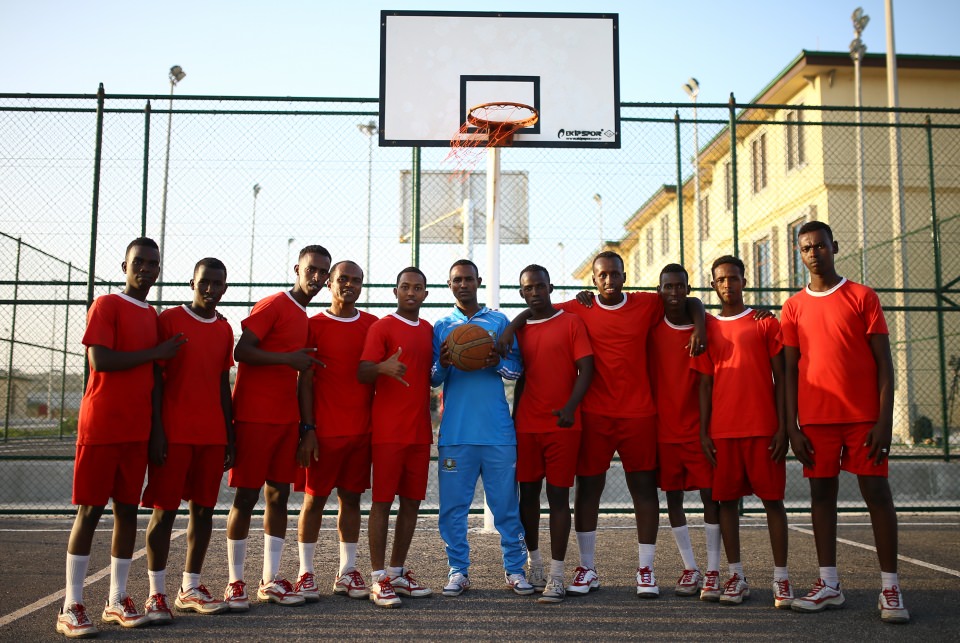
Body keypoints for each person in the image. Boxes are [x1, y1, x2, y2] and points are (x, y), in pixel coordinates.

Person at [501, 251, 706, 598]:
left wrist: (700, 325)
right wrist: (512, 326)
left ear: (624, 276)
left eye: (615, 274)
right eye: (602, 276)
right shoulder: (579, 307)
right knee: (588, 491)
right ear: (593, 280)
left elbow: (691, 301)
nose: (609, 281)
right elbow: (537, 306)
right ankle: (587, 568)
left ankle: (646, 570)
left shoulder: (646, 304)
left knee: (642, 490)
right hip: (594, 414)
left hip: (639, 414)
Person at [58, 237, 186, 638]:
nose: (146, 268)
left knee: (128, 512)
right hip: (101, 426)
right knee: (91, 512)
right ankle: (72, 605)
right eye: (139, 262)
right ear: (125, 266)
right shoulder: (107, 305)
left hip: (137, 430)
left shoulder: (153, 316)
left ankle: (116, 599)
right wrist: (155, 351)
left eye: (153, 263)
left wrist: (157, 431)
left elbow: (155, 382)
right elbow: (101, 359)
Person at [782, 221, 909, 624]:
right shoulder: (793, 307)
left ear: (834, 247)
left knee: (877, 493)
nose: (813, 253)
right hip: (816, 421)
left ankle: (890, 588)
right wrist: (792, 427)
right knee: (822, 497)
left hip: (863, 419)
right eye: (805, 248)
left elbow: (884, 365)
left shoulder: (862, 296)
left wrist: (884, 421)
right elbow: (787, 373)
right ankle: (829, 584)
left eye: (820, 245)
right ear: (799, 255)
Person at [224, 245, 330, 610]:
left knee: (279, 497)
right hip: (254, 417)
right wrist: (288, 358)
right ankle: (235, 582)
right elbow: (242, 351)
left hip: (286, 421)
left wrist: (306, 426)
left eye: (322, 273)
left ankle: (269, 580)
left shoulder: (305, 316)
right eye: (311, 270)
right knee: (246, 497)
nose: (316, 278)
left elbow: (303, 378)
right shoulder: (273, 305)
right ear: (297, 269)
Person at [694, 255, 792, 608]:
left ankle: (781, 579)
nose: (728, 284)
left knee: (773, 503)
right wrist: (705, 432)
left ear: (744, 281)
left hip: (764, 428)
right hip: (723, 431)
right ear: (714, 285)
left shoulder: (765, 323)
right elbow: (704, 386)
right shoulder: (708, 328)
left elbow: (782, 379)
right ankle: (736, 575)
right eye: (721, 280)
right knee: (726, 505)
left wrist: (783, 426)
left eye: (733, 278)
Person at [141, 258, 235, 622]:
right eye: (204, 282)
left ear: (225, 288)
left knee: (204, 512)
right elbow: (156, 380)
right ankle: (155, 594)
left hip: (211, 435)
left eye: (218, 283)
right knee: (163, 514)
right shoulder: (169, 321)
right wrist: (158, 430)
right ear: (191, 283)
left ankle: (190, 588)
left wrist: (229, 434)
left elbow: (221, 384)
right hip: (174, 434)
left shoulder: (224, 329)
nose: (211, 289)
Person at [431, 259, 531, 597]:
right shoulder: (442, 326)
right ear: (450, 284)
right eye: (456, 279)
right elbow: (432, 378)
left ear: (479, 282)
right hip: (456, 435)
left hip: (497, 433)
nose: (463, 284)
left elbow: (518, 370)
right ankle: (458, 570)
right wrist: (443, 363)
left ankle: (515, 569)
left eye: (469, 279)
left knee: (505, 506)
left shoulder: (499, 320)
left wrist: (498, 362)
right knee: (453, 509)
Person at [294, 261, 377, 602]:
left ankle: (347, 571)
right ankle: (305, 573)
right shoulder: (313, 325)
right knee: (313, 501)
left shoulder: (372, 325)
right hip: (323, 432)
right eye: (343, 279)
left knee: (352, 500)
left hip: (360, 431)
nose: (350, 285)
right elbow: (305, 381)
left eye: (356, 280)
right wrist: (308, 428)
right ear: (329, 283)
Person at [513, 265, 594, 604]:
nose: (535, 292)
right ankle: (535, 564)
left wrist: (570, 407)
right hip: (527, 425)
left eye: (540, 286)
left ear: (550, 287)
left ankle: (558, 576)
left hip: (563, 424)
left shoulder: (571, 322)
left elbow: (587, 368)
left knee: (559, 499)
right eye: (528, 288)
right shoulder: (517, 329)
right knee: (527, 497)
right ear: (522, 293)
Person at [358, 267, 435, 608]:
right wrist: (381, 368)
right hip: (388, 431)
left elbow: (433, 375)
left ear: (425, 294)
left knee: (412, 503)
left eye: (417, 288)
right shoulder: (382, 327)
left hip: (419, 430)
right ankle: (378, 580)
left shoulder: (430, 330)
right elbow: (361, 371)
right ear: (395, 291)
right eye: (405, 287)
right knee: (382, 503)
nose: (411, 293)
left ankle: (397, 572)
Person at [648, 263, 722, 601]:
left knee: (711, 497)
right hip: (664, 430)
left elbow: (707, 384)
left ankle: (714, 570)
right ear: (659, 290)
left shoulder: (699, 328)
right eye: (668, 287)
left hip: (697, 430)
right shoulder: (652, 326)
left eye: (680, 286)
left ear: (689, 289)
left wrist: (701, 322)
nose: (674, 292)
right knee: (673, 499)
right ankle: (690, 566)